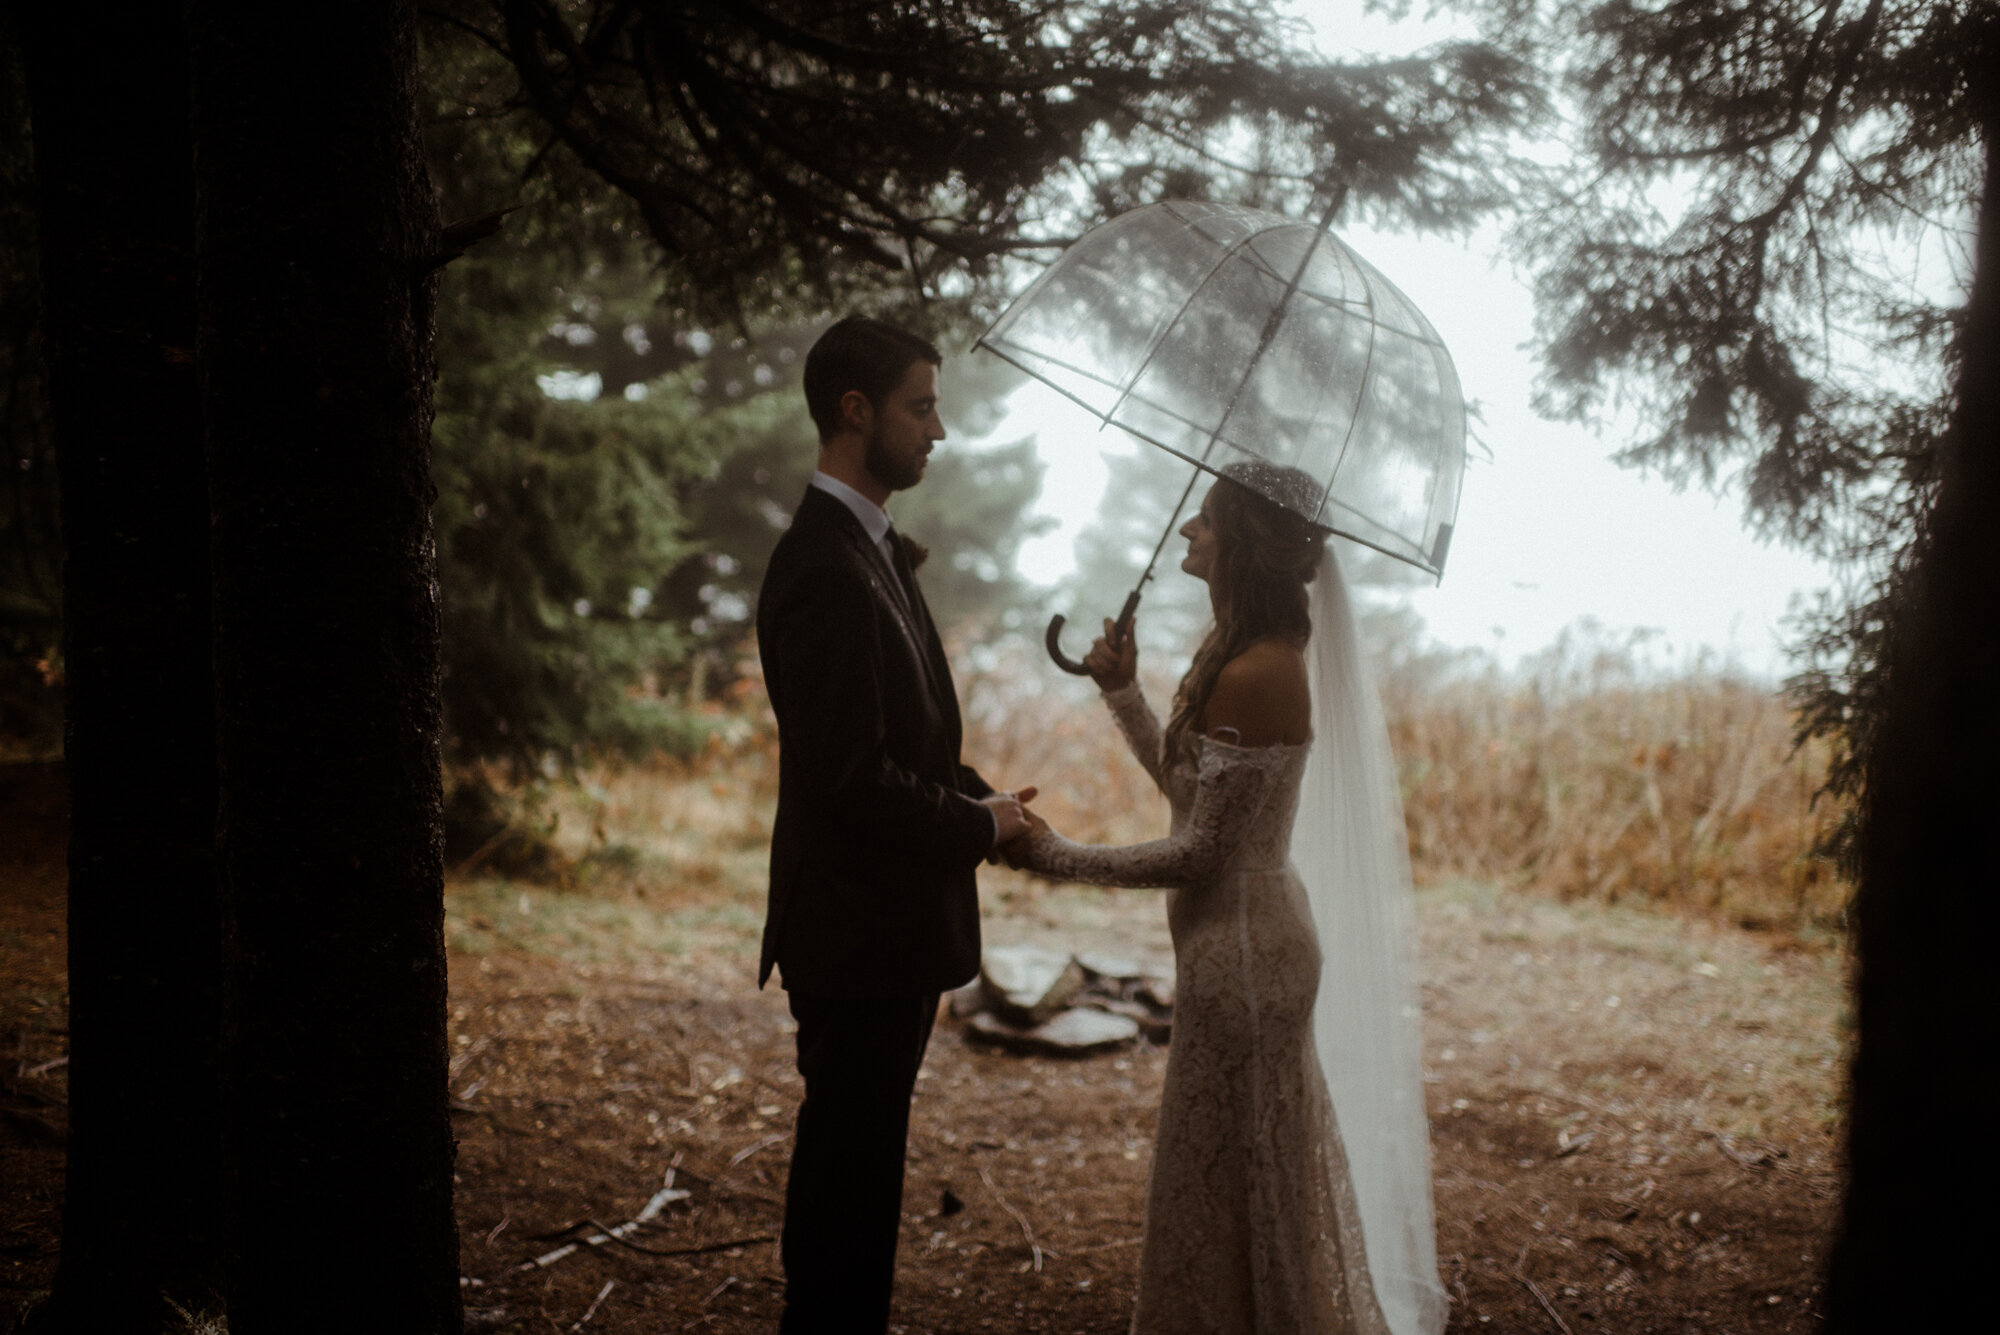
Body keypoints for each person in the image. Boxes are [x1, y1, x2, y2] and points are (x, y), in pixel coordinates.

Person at [1011, 460, 1445, 1335]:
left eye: (1204, 520)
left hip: (1246, 956)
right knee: (1227, 1173)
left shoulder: (1260, 671)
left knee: (1238, 1174)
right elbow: (1190, 790)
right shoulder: (1239, 656)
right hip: (1234, 950)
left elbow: (1205, 851)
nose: (1186, 531)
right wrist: (1122, 693)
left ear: (1240, 541)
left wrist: (1056, 855)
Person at [755, 315, 1037, 1333]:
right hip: (852, 931)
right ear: (854, 410)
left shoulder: (869, 548)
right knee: (845, 1180)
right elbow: (852, 782)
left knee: (862, 1173)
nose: (939, 430)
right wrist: (974, 826)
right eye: (921, 406)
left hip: (884, 927)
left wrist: (988, 805)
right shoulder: (824, 567)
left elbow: (903, 748)